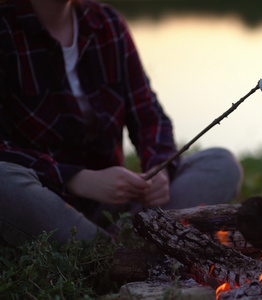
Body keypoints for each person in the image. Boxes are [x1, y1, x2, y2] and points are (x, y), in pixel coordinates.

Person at [0, 0, 243, 246]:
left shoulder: (106, 23)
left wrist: (161, 169)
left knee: (221, 165)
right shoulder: (5, 28)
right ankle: (109, 249)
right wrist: (74, 178)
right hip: (45, 205)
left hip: (115, 206)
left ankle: (124, 241)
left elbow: (148, 115)